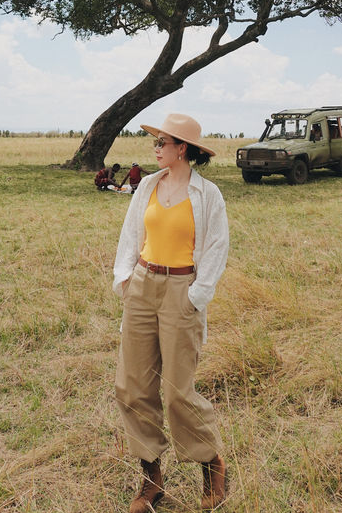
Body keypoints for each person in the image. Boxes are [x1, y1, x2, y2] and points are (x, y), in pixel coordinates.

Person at [113, 113, 229, 511]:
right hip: (144, 286)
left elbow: (216, 248)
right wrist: (126, 278)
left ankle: (212, 465)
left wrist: (196, 295)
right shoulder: (146, 185)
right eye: (156, 142)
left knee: (178, 390)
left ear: (183, 148)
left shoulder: (207, 194)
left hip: (183, 289)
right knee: (133, 384)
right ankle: (151, 478)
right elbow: (131, 234)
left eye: (162, 142)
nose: (155, 148)